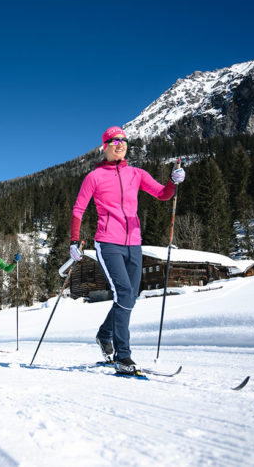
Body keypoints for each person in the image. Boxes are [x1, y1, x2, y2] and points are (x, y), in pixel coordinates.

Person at [69, 126, 185, 375]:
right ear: (105, 146)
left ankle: (104, 334)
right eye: (114, 141)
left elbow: (163, 194)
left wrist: (173, 182)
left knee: (130, 296)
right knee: (122, 291)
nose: (119, 144)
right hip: (108, 242)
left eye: (123, 140)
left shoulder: (137, 174)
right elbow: (78, 210)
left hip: (134, 242)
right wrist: (74, 240)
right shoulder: (94, 177)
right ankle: (123, 356)